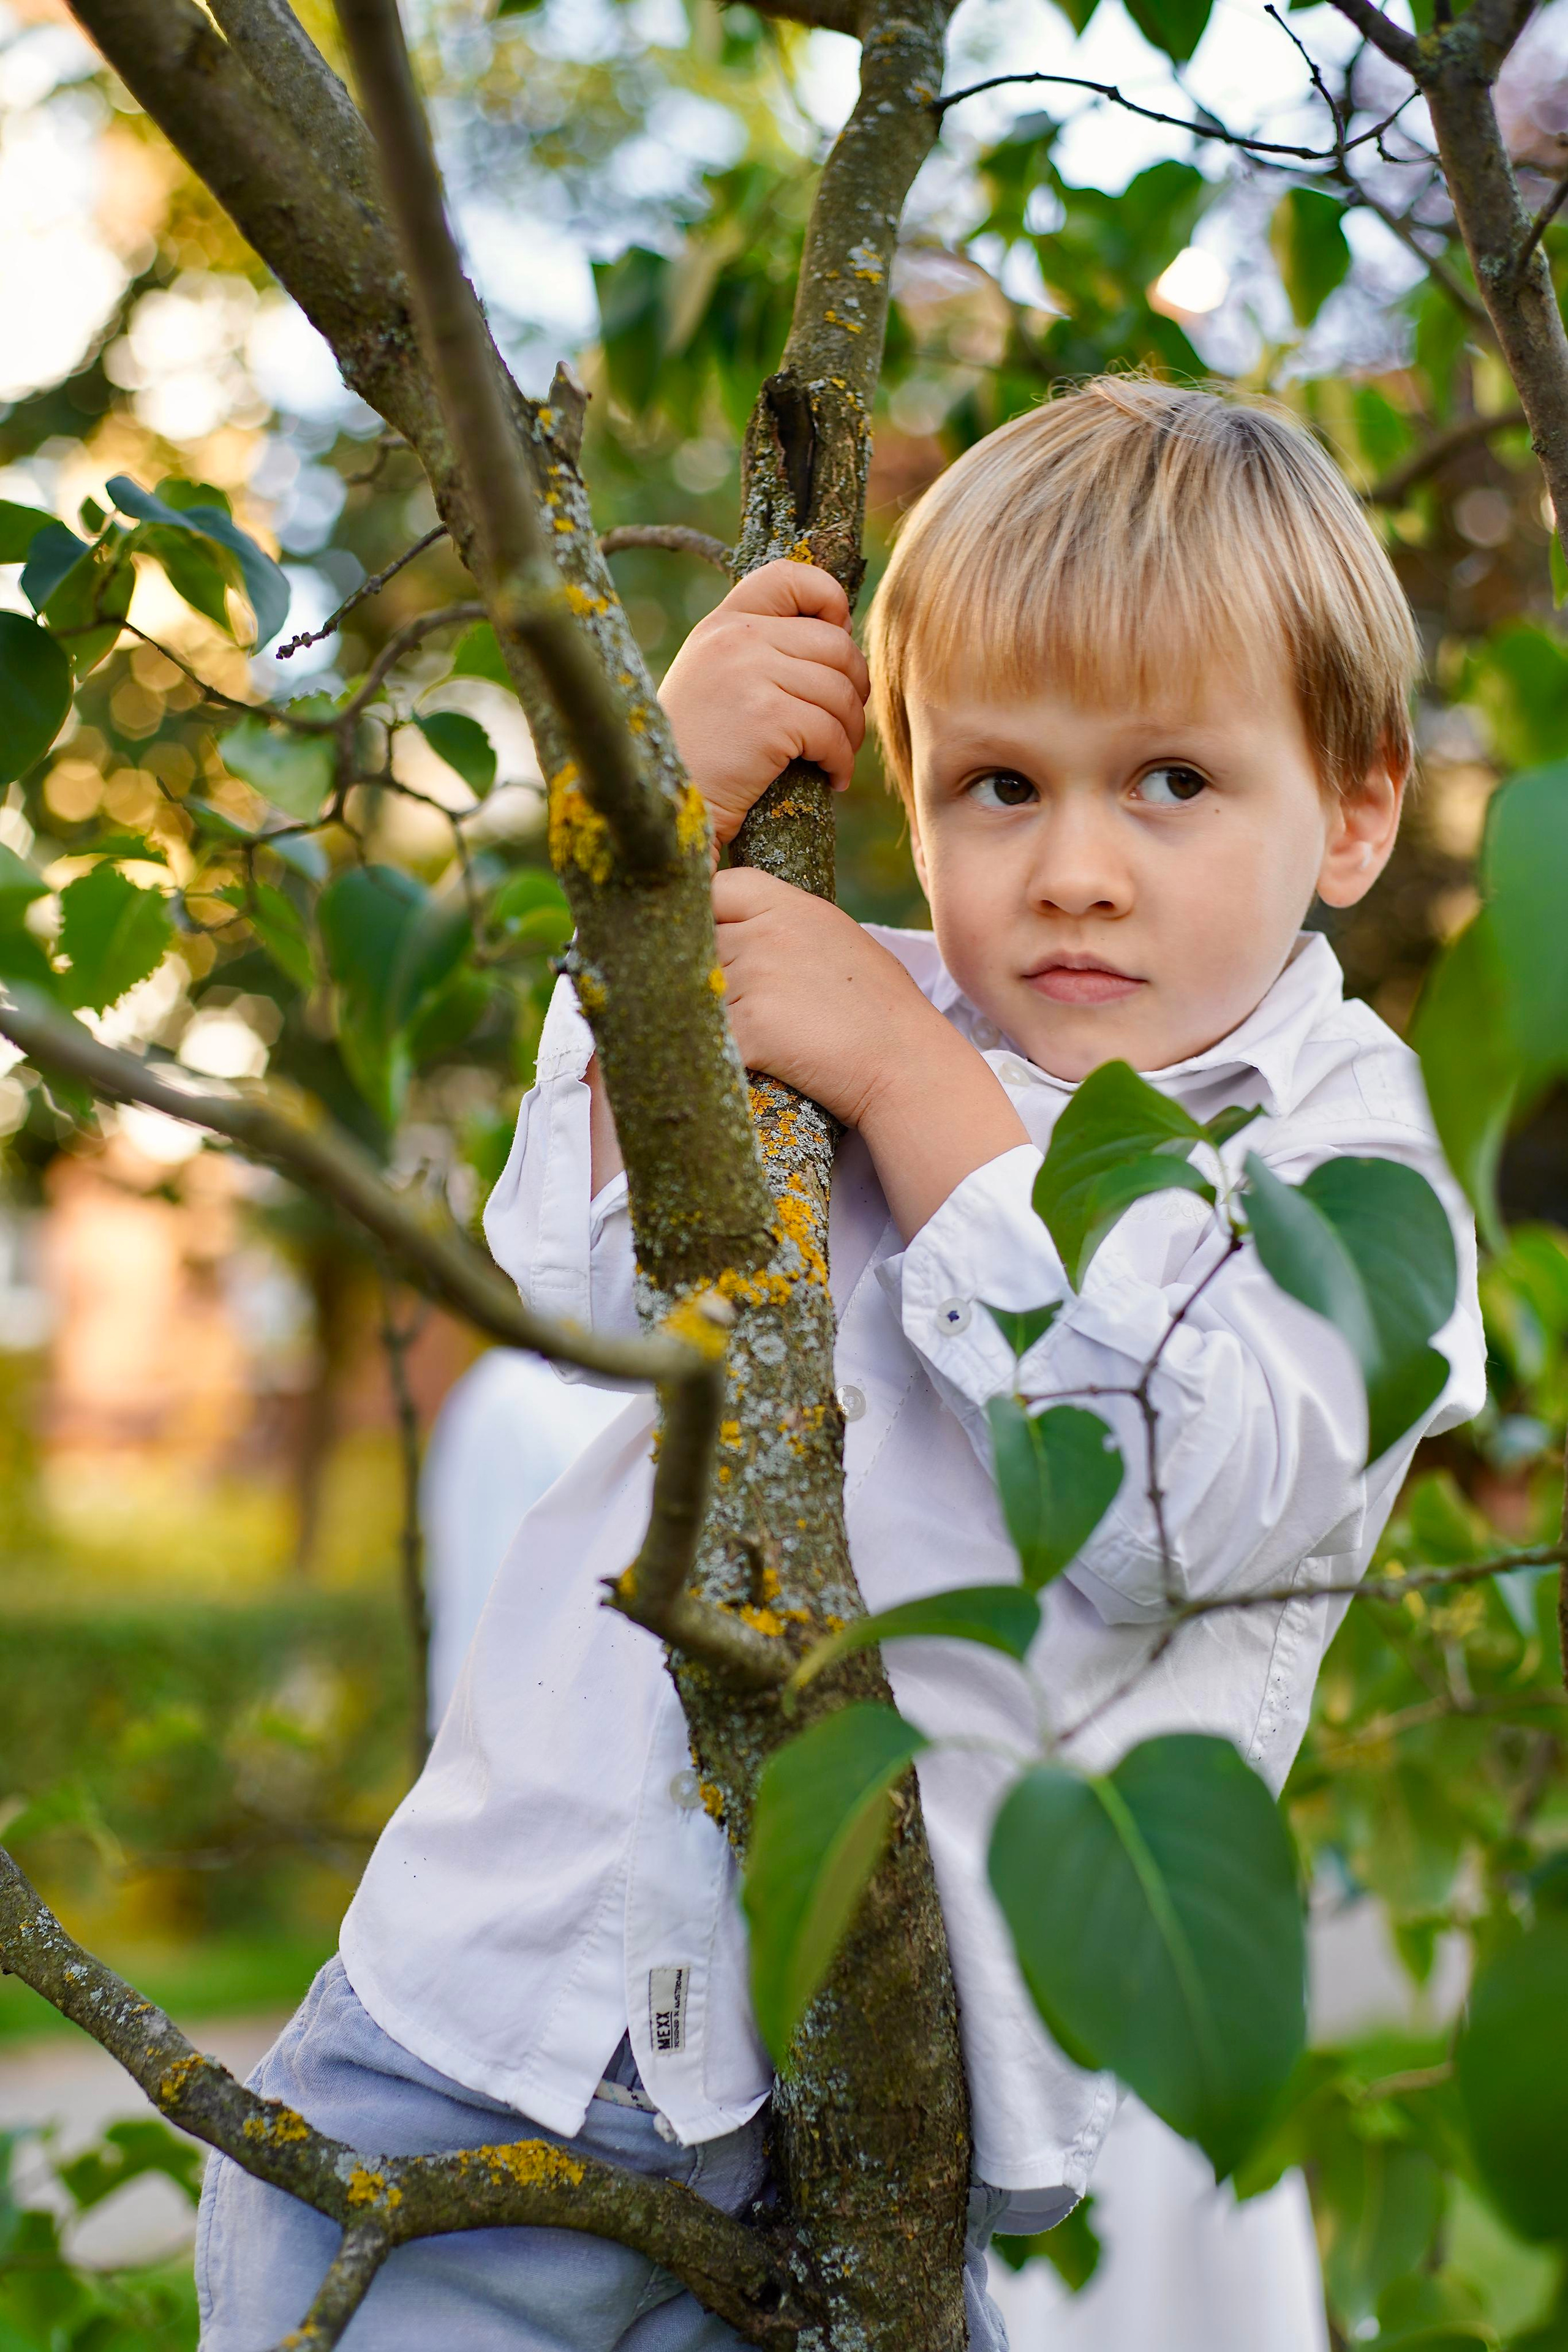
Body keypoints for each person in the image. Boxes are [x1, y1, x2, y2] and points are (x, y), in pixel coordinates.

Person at [196, 378, 1487, 2350]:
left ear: (1360, 808)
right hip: (504, 2017)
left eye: (1170, 781)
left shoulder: (1349, 1166)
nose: (1073, 868)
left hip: (874, 2128)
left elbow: (1186, 1504)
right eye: (999, 786)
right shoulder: (856, 988)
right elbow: (587, 1282)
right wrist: (660, 847)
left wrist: (916, 1095)